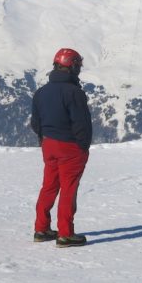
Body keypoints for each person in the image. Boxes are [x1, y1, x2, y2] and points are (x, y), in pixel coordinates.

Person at [31, 48, 92, 248]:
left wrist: (44, 139)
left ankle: (41, 229)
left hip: (48, 145)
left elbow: (35, 123)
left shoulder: (40, 92)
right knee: (68, 188)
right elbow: (81, 124)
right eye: (78, 67)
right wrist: (83, 147)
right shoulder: (74, 93)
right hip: (70, 147)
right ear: (72, 67)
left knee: (49, 186)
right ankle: (65, 234)